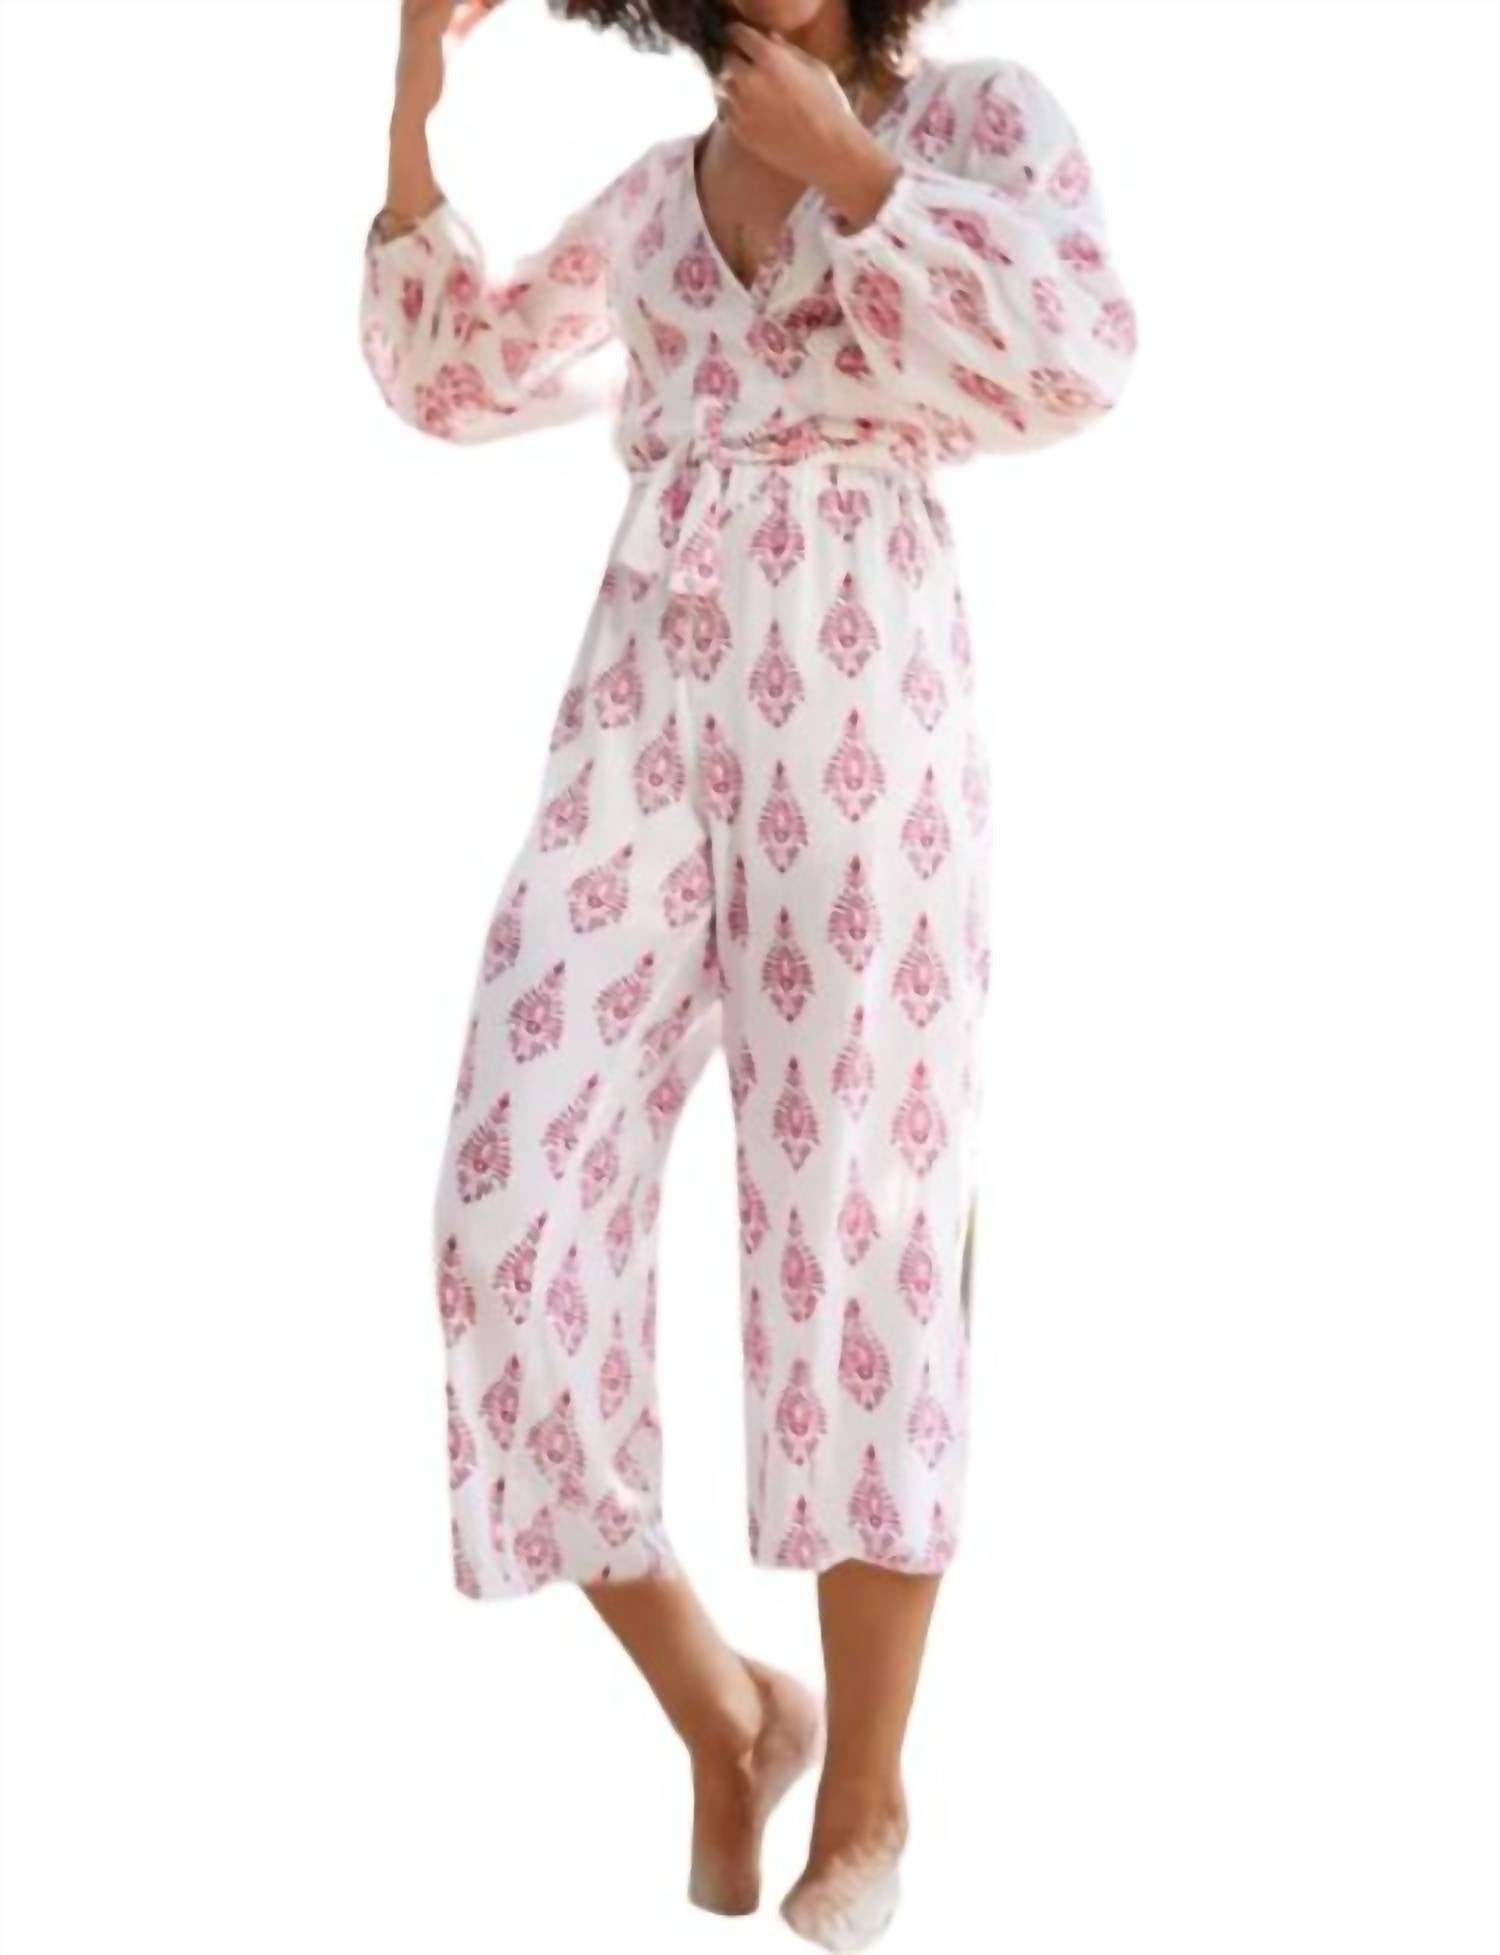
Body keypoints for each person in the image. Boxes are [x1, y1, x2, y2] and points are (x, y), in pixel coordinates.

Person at [358, 0, 1137, 1944]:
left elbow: (1077, 354)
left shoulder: (978, 124)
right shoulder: (651, 198)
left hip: (859, 681)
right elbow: (459, 375)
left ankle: (866, 1785)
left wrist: (857, 171)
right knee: (503, 1212)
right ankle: (728, 1707)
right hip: (646, 687)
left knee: (860, 1207)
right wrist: (415, 108)